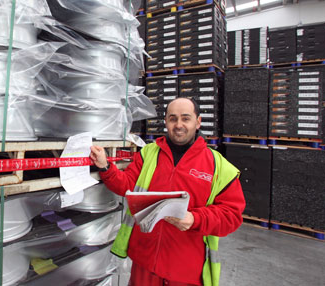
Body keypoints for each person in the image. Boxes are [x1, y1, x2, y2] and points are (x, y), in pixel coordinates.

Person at [90, 97, 245, 286]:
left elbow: (231, 215)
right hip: (144, 264)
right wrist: (105, 166)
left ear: (198, 122)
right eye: (173, 118)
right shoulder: (148, 154)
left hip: (185, 271)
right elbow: (127, 185)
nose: (178, 125)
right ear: (166, 122)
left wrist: (195, 219)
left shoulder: (219, 167)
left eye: (185, 118)